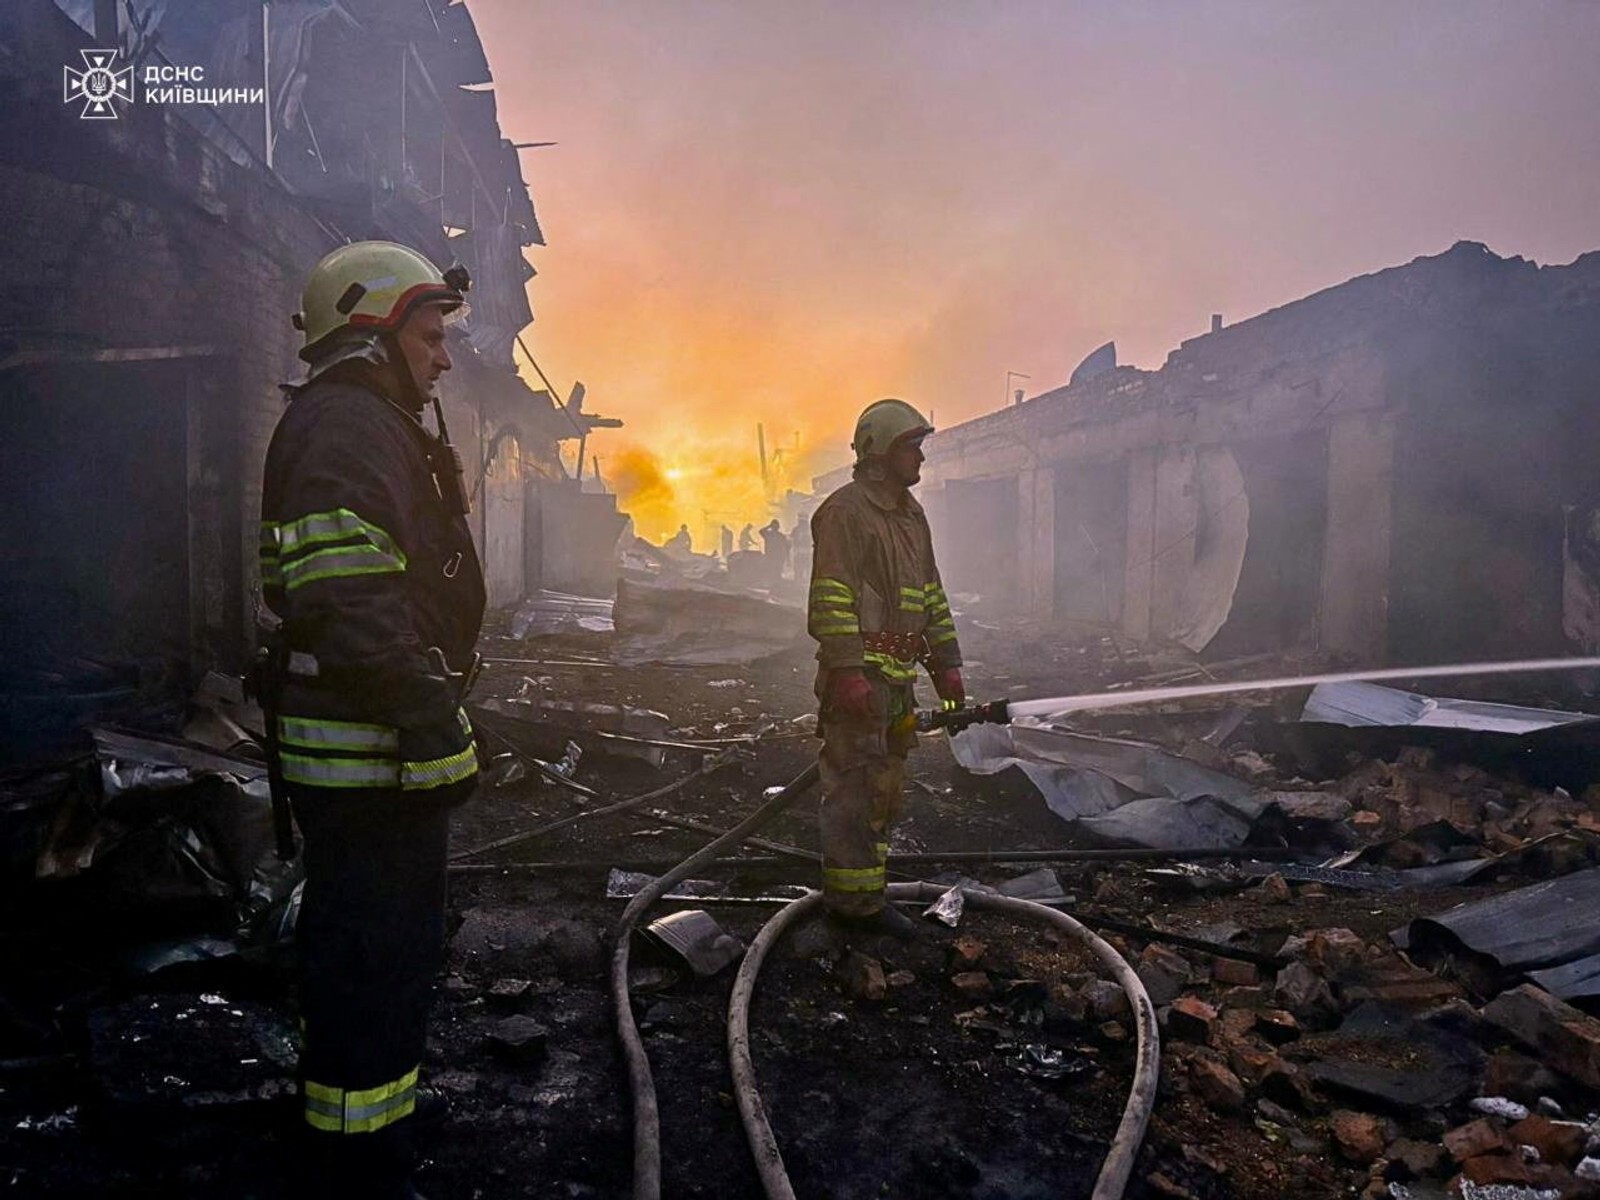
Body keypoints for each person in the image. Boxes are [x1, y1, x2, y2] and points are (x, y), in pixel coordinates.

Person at [259, 240, 486, 1198]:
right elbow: (351, 600)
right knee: (372, 954)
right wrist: (434, 719)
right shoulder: (348, 429)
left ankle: (372, 1121)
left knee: (383, 951)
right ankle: (358, 1158)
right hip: (366, 755)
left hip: (376, 749)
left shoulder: (367, 424)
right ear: (372, 332)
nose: (444, 358)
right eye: (431, 337)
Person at [806, 399, 962, 937]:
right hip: (861, 682)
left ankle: (866, 897)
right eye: (911, 446)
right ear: (880, 452)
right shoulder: (845, 513)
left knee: (885, 791)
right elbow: (830, 599)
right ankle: (851, 910)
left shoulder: (911, 516)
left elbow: (931, 595)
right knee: (854, 791)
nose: (921, 456)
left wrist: (947, 665)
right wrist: (848, 672)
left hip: (897, 682)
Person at [759, 518, 790, 584]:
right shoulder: (770, 534)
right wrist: (787, 557)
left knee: (775, 571)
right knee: (772, 571)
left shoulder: (775, 535)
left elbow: (786, 546)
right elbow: (760, 531)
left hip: (776, 556)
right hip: (772, 555)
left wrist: (769, 526)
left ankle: (776, 583)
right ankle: (774, 583)